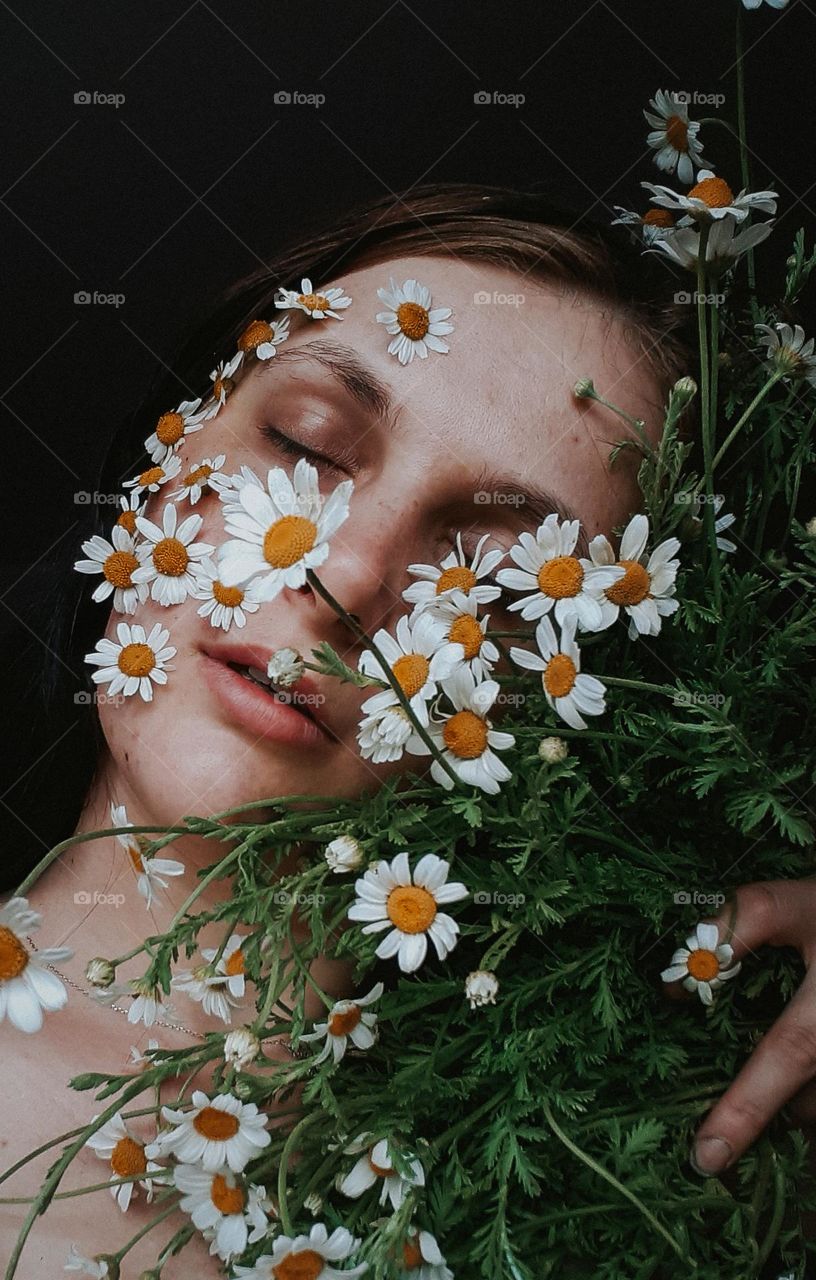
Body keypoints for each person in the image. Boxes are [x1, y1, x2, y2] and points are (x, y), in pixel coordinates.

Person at [1, 185, 811, 1274]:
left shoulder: (638, 1183)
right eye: (309, 444)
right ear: (160, 466)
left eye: (492, 577)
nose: (340, 571)